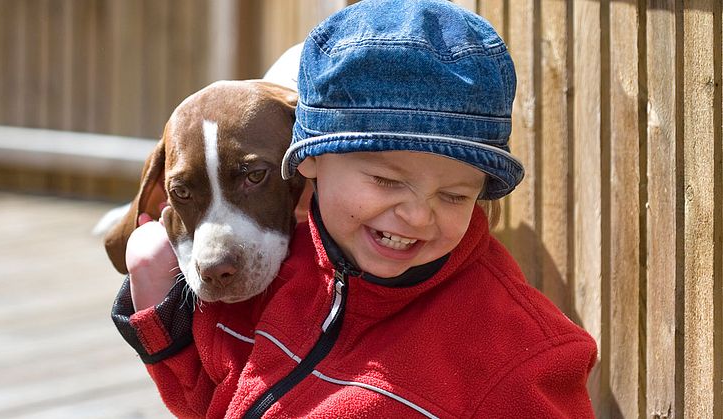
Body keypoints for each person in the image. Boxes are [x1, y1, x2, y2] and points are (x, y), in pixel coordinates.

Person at [112, 0, 598, 417]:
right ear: (308, 162)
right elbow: (216, 399)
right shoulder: (289, 262)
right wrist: (159, 302)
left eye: (455, 196)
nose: (417, 216)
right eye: (386, 180)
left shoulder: (520, 359)